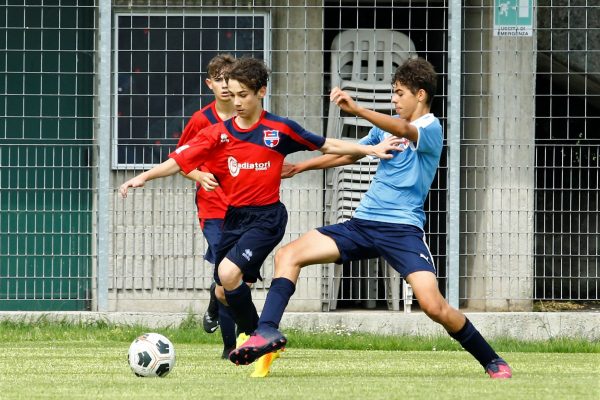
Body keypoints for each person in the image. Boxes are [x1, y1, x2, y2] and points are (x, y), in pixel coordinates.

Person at [230, 57, 513, 379]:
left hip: (402, 231)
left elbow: (404, 129)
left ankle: (491, 359)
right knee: (288, 255)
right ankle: (266, 332)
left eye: (399, 93)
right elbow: (351, 153)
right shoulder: (385, 126)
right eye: (393, 93)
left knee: (434, 306)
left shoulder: (430, 128)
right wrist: (300, 167)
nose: (394, 99)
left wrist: (358, 109)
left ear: (420, 95)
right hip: (362, 224)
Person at [119, 57, 402, 377]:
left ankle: (256, 334)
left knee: (226, 273)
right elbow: (179, 159)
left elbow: (325, 144)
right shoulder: (219, 133)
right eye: (234, 94)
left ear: (261, 92)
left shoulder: (278, 129)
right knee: (224, 289)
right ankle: (261, 336)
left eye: (244, 95)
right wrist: (143, 176)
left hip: (267, 219)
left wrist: (371, 150)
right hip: (233, 219)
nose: (237, 101)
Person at [175, 53, 240, 359]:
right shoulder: (201, 120)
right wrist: (199, 173)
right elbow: (180, 161)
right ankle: (230, 348)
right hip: (213, 210)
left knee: (235, 278)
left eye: (231, 78)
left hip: (247, 209)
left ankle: (215, 305)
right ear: (210, 84)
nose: (226, 85)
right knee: (227, 274)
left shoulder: (250, 116)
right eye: (220, 79)